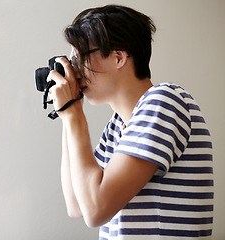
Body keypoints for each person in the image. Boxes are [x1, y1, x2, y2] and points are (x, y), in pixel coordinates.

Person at [46, 4, 214, 239]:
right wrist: (68, 115)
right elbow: (77, 206)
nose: (74, 71)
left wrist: (73, 115)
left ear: (118, 57)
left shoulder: (164, 102)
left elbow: (96, 211)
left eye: (80, 57)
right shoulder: (118, 126)